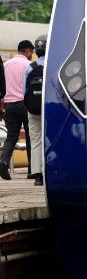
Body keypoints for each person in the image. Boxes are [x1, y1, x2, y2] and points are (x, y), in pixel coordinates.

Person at [0, 41, 35, 181]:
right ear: (27, 51)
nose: (31, 55)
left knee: (11, 137)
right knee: (30, 136)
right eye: (31, 52)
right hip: (25, 104)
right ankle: (32, 170)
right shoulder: (28, 65)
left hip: (10, 106)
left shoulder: (6, 65)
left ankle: (3, 162)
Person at [22, 36, 45, 186]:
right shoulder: (53, 64)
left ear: (36, 51)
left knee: (35, 141)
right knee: (50, 139)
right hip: (49, 107)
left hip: (33, 109)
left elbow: (24, 90)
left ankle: (38, 175)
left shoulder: (30, 67)